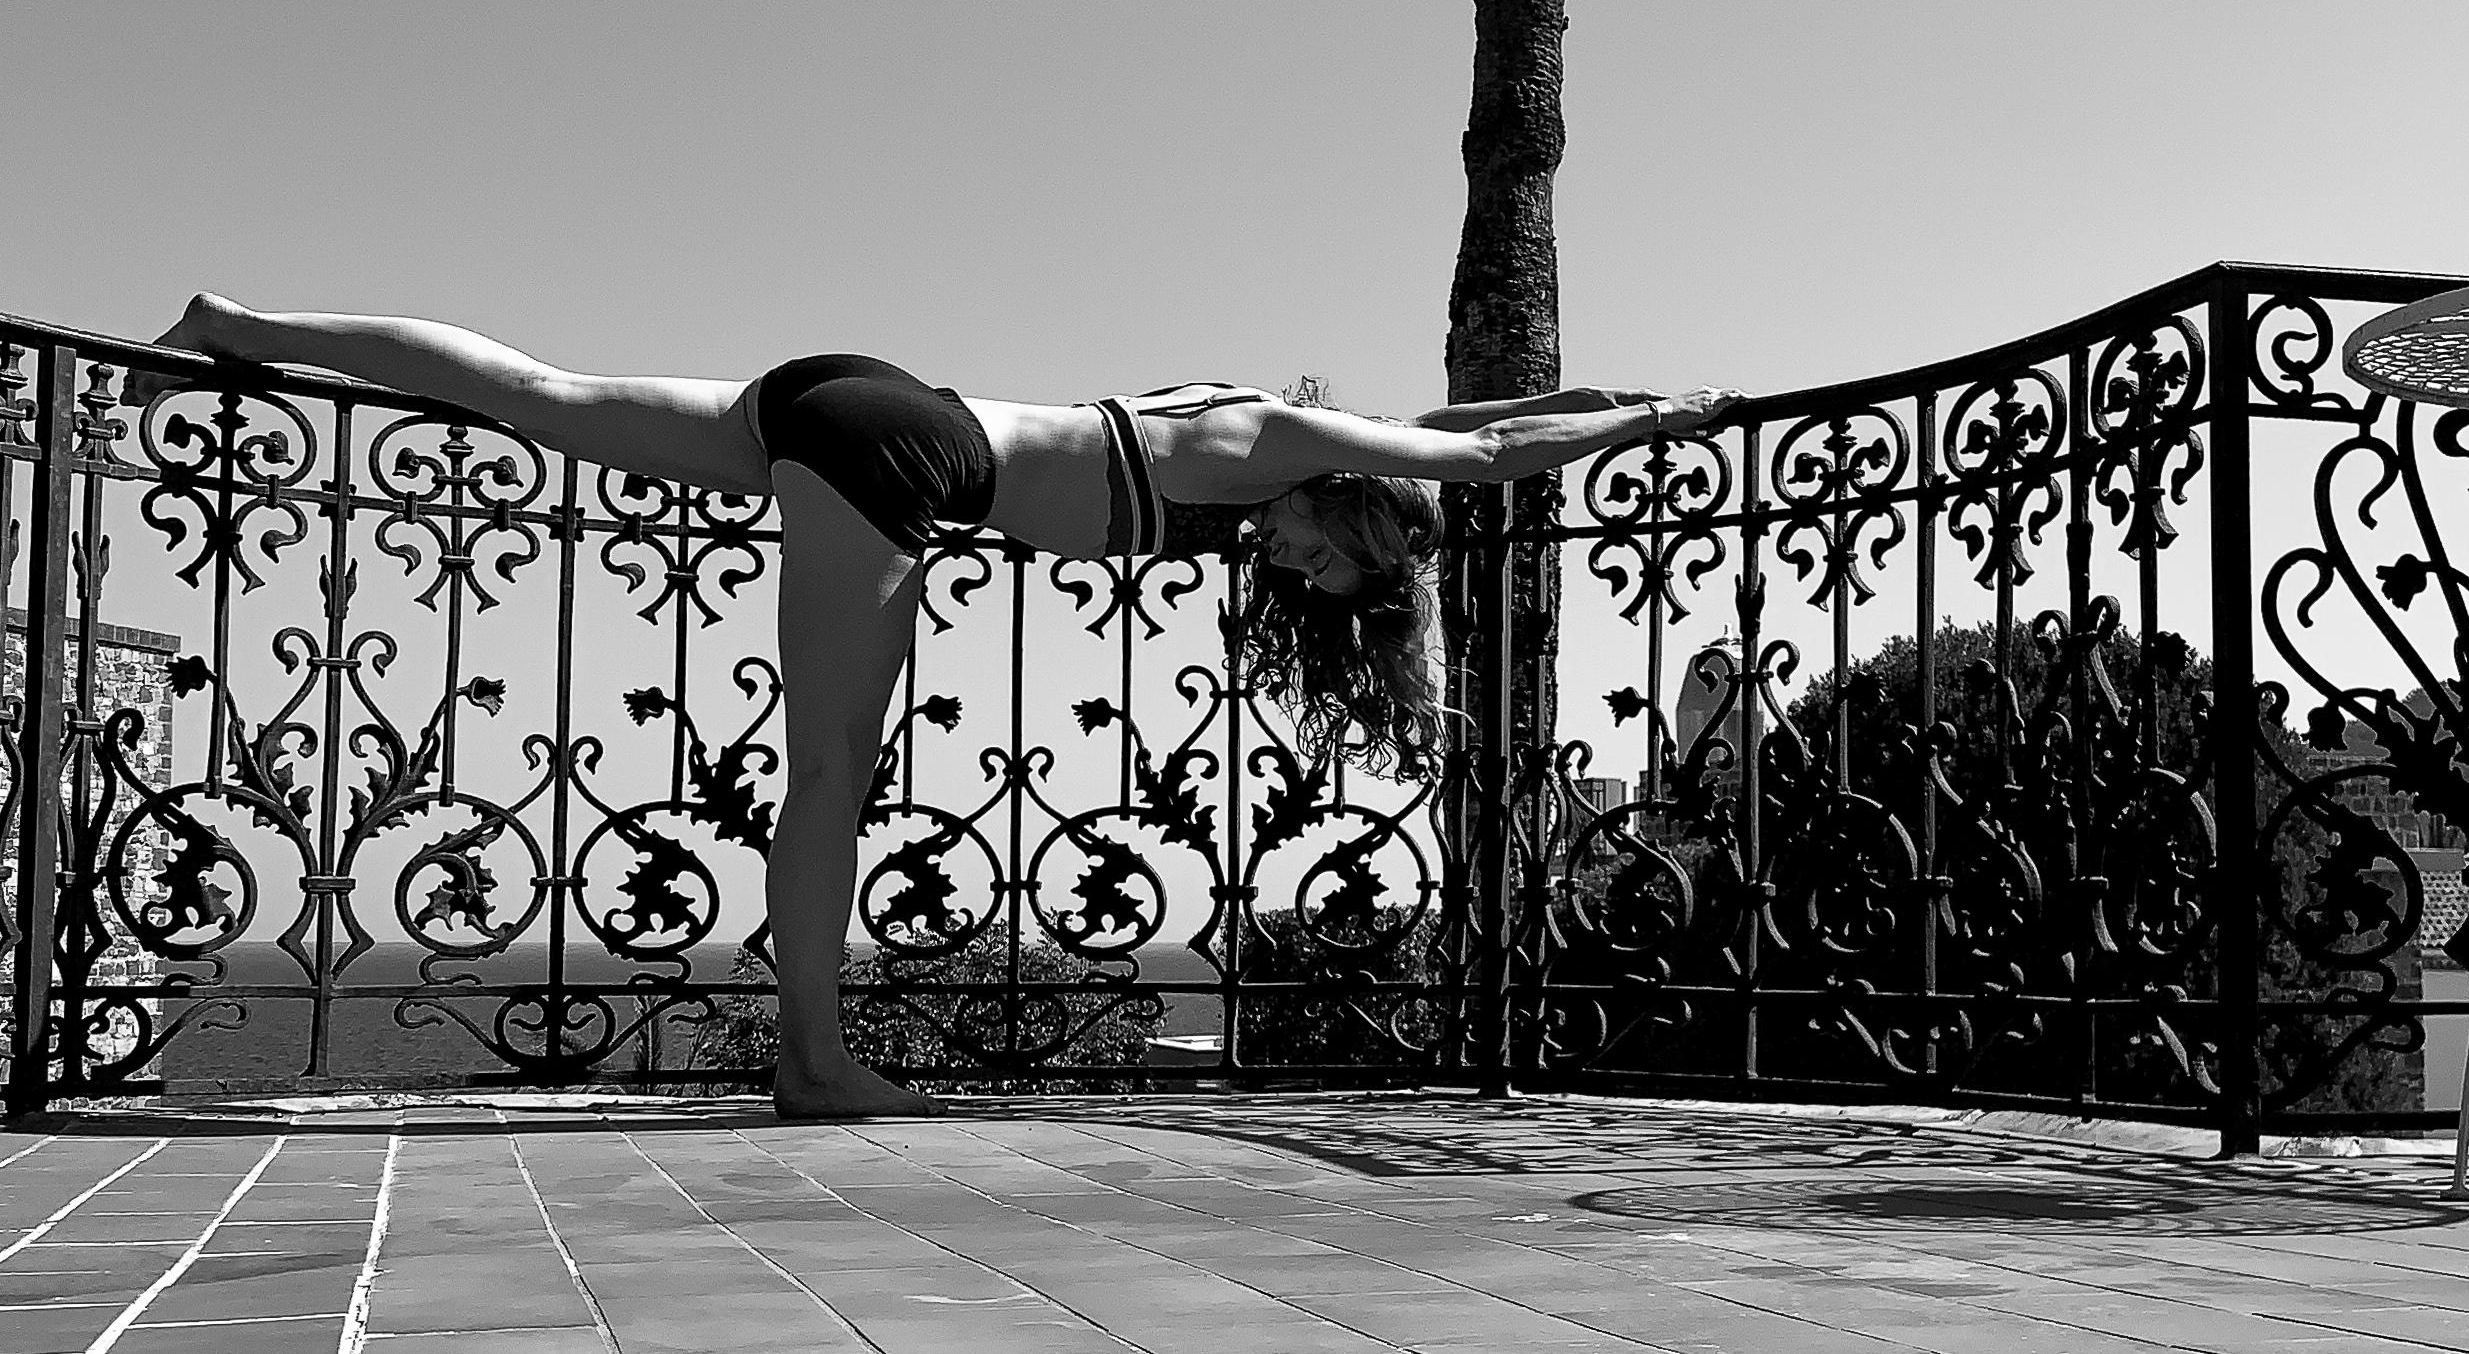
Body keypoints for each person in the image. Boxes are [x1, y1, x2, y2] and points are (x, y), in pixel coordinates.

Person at [152, 293, 1735, 1119]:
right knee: (829, 774)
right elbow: (1466, 456)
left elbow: (1450, 421)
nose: (1308, 584)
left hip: (861, 391)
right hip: (905, 466)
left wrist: (1582, 400)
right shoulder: (1262, 445)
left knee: (543, 393)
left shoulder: (1252, 433)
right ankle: (814, 1058)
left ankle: (238, 330)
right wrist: (1664, 417)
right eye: (1338, 570)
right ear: (1352, 507)